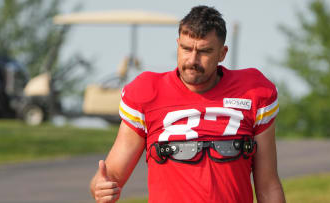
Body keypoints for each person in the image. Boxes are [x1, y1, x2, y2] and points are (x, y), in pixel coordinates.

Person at [90, 5, 286, 203]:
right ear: (178, 44)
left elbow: (268, 185)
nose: (192, 60)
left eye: (204, 51)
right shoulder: (147, 93)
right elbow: (111, 175)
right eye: (186, 48)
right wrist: (100, 188)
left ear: (222, 53)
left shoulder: (253, 92)